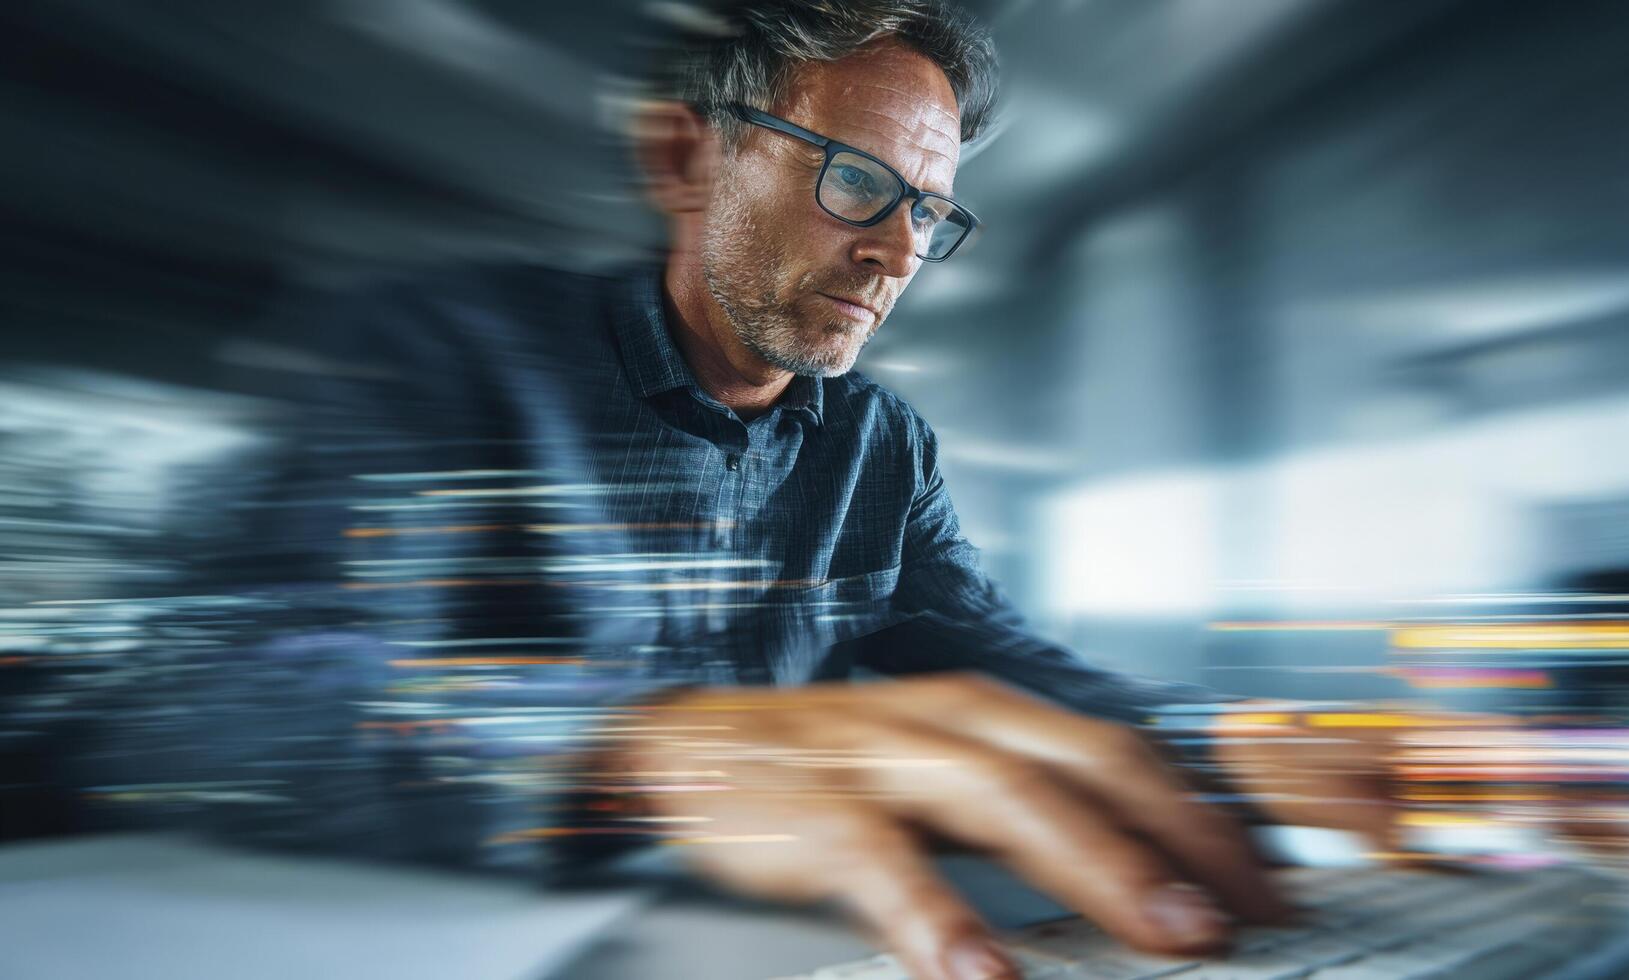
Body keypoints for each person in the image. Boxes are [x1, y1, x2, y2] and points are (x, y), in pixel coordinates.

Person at [9, 4, 1396, 979]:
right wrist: (633, 747)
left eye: (931, 210)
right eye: (859, 183)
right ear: (685, 157)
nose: (898, 252)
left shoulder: (879, 447)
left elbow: (998, 661)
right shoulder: (436, 353)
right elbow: (216, 686)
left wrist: (1204, 738)